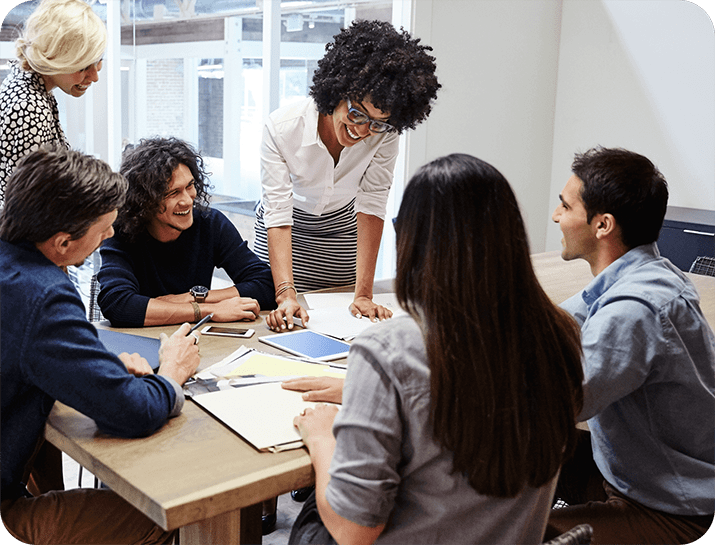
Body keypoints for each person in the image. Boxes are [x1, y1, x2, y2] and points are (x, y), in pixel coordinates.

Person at [288, 153, 585, 544]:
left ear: (412, 239)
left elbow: (353, 531)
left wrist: (323, 435)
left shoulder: (386, 350)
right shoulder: (560, 336)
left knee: (315, 513)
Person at [0, 145, 200, 545]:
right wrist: (173, 374)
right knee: (156, 516)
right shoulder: (43, 296)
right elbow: (135, 411)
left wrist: (100, 369)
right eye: (103, 227)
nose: (110, 234)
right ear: (61, 243)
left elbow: (32, 348)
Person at [545, 147, 715, 544]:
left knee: (511, 528)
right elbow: (559, 321)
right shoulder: (646, 273)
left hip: (668, 508)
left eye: (565, 207)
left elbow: (556, 403)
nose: (556, 216)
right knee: (510, 458)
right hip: (628, 471)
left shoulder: (635, 311)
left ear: (602, 225)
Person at [256, 19, 440, 331]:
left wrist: (364, 294)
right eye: (357, 114)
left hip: (341, 234)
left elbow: (372, 202)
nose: (362, 131)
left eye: (377, 122)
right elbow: (278, 211)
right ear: (336, 91)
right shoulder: (282, 128)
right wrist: (285, 291)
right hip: (286, 234)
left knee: (335, 325)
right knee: (277, 323)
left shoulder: (385, 133)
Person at [97, 137, 276, 328]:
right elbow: (118, 305)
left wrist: (192, 298)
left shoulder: (210, 223)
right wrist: (209, 311)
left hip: (197, 341)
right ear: (144, 200)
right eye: (173, 193)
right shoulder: (120, 231)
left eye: (189, 186)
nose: (188, 200)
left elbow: (266, 285)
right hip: (139, 344)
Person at [0, 0, 106, 203]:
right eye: (83, 66)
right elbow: (32, 205)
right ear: (53, 58)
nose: (94, 76)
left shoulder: (26, 83)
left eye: (99, 60)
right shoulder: (30, 107)